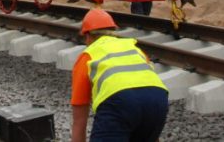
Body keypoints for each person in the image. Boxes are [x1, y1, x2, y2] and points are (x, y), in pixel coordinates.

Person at [71, 9, 168, 142]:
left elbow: (79, 121)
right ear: (113, 32)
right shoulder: (134, 49)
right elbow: (146, 89)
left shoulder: (88, 55)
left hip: (119, 101)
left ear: (87, 36)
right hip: (158, 98)